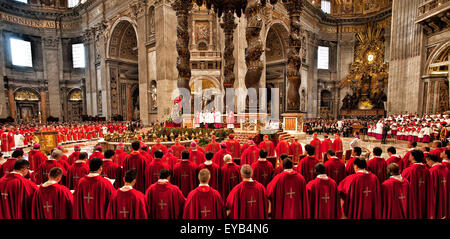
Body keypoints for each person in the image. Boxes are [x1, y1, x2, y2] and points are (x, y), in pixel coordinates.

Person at [401, 149, 430, 219]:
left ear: (413, 157)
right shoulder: (426, 170)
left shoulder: (408, 171)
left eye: (410, 155)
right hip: (424, 196)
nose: (409, 157)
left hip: (411, 198)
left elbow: (401, 185)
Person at [425, 154, 448, 219]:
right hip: (445, 192)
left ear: (431, 161)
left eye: (427, 161)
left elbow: (430, 186)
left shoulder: (432, 171)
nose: (427, 163)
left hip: (435, 193)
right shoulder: (445, 168)